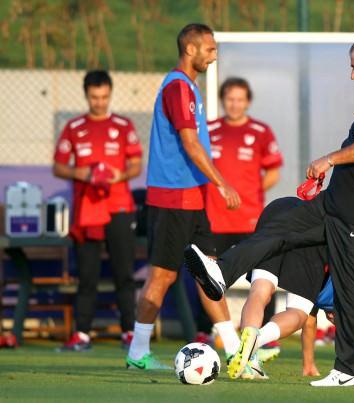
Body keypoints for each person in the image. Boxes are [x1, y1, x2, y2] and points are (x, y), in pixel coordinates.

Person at [185, 37, 354, 387]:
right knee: (281, 226)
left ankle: (351, 371)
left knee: (352, 293)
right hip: (335, 204)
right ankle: (221, 272)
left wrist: (330, 159)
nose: (352, 75)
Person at [125, 23, 240, 370]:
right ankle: (137, 353)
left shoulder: (189, 86)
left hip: (192, 199)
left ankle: (236, 353)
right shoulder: (177, 87)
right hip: (173, 199)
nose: (214, 55)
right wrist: (222, 183)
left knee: (209, 275)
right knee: (162, 277)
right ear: (190, 49)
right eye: (209, 49)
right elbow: (190, 144)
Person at [226, 197, 354, 379]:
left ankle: (249, 358)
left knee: (260, 290)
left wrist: (308, 365)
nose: (334, 323)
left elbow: (311, 322)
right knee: (298, 312)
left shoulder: (334, 288)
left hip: (280, 209)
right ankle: (256, 342)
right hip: (313, 230)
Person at [53, 70, 142, 351]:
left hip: (119, 207)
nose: (99, 102)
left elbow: (136, 165)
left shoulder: (123, 126)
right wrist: (79, 172)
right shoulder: (74, 127)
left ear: (110, 94)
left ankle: (129, 332)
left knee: (123, 273)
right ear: (86, 95)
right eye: (94, 97)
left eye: (104, 97)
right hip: (88, 210)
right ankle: (82, 334)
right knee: (87, 275)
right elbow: (58, 166)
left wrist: (118, 175)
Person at [195, 77, 283, 361]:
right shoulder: (209, 130)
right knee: (207, 275)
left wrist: (251, 193)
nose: (234, 104)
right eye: (230, 99)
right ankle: (207, 332)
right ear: (223, 100)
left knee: (263, 276)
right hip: (215, 219)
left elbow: (273, 172)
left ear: (247, 102)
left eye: (239, 99)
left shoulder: (260, 131)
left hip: (250, 219)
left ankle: (264, 337)